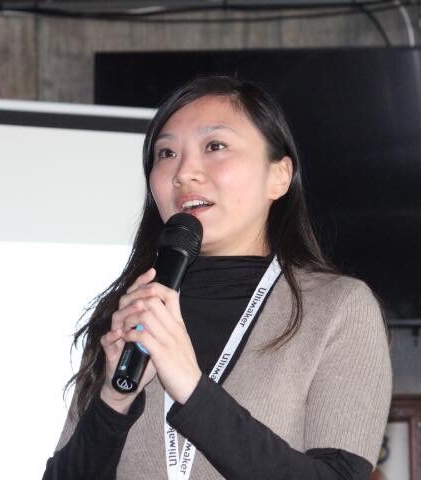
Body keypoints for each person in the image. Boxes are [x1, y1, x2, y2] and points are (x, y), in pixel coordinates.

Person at [43, 75, 392, 480]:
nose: (184, 172)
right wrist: (114, 399)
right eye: (167, 153)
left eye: (215, 146)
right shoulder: (134, 311)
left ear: (279, 176)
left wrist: (192, 388)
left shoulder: (337, 308)